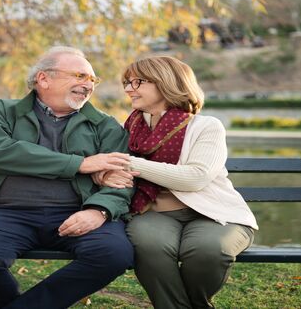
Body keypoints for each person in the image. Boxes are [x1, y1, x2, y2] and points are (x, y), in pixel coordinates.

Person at [0, 46, 135, 309]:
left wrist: (99, 211)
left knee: (114, 254)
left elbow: (122, 180)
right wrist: (79, 164)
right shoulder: (2, 112)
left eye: (92, 80)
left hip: (77, 212)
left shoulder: (105, 125)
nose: (87, 85)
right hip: (5, 213)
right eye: (79, 75)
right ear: (44, 79)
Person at [94, 56, 258, 309]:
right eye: (126, 82)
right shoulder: (129, 129)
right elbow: (105, 168)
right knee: (149, 247)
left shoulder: (205, 126)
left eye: (137, 82)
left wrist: (130, 164)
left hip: (212, 214)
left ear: (166, 82)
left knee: (209, 251)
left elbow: (196, 178)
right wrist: (103, 173)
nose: (128, 89)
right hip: (153, 214)